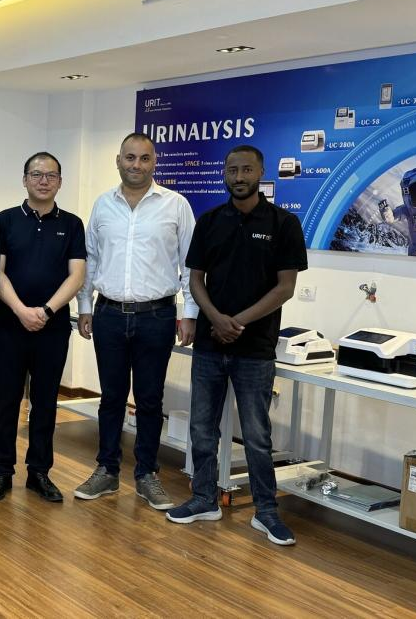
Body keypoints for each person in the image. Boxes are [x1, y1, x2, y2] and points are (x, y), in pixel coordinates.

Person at [167, 144, 306, 547]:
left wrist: (237, 321)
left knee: (258, 435)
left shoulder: (283, 223)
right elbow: (195, 279)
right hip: (210, 345)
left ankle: (266, 512)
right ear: (224, 174)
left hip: (255, 348)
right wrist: (215, 318)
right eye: (232, 170)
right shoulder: (210, 221)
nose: (239, 177)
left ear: (261, 172)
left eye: (246, 169)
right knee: (201, 428)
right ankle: (203, 498)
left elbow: (285, 287)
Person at [74, 132, 195, 511]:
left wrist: (189, 313)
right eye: (130, 157)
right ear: (118, 160)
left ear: (154, 162)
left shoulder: (176, 206)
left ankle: (146, 474)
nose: (136, 165)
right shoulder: (103, 205)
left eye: (144, 158)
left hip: (157, 316)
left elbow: (190, 265)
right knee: (111, 398)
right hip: (108, 314)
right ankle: (107, 470)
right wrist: (84, 305)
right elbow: (90, 259)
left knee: (149, 399)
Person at [0, 152, 86, 504]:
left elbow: (77, 276)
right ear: (24, 179)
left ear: (60, 181)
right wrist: (21, 310)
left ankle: (39, 472)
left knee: (45, 403)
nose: (44, 181)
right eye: (37, 174)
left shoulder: (72, 224)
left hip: (52, 328)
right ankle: (1, 472)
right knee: (6, 402)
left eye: (51, 175)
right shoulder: (5, 220)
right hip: (10, 325)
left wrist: (45, 311)